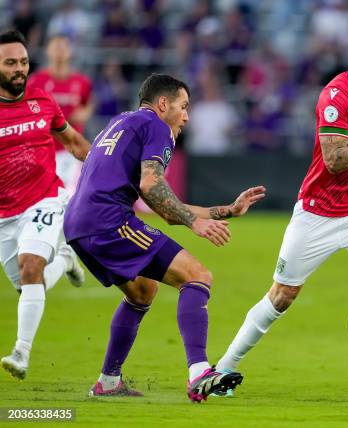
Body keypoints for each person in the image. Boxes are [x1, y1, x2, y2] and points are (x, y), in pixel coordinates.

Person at [215, 22, 348, 394]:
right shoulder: (335, 97)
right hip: (319, 212)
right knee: (281, 297)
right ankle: (224, 369)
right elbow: (334, 160)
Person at [63, 73, 266, 402]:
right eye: (183, 107)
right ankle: (199, 372)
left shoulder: (121, 122)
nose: (186, 116)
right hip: (107, 220)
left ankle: (108, 382)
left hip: (77, 223)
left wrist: (226, 211)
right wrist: (194, 224)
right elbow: (151, 187)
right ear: (162, 104)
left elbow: (166, 206)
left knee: (143, 290)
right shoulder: (157, 127)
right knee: (197, 275)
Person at [0, 30, 89, 380]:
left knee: (31, 267)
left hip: (45, 198)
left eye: (23, 62)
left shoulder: (43, 102)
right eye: (10, 63)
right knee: (28, 284)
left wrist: (107, 165)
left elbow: (72, 140)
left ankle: (20, 353)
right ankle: (66, 258)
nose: (19, 69)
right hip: (5, 215)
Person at [28, 34, 94, 194]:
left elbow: (88, 104)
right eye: (56, 47)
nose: (60, 51)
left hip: (70, 148)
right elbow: (25, 106)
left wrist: (84, 114)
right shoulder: (36, 81)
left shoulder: (81, 81)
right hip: (44, 148)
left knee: (68, 193)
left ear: (70, 52)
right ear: (48, 51)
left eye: (63, 47)